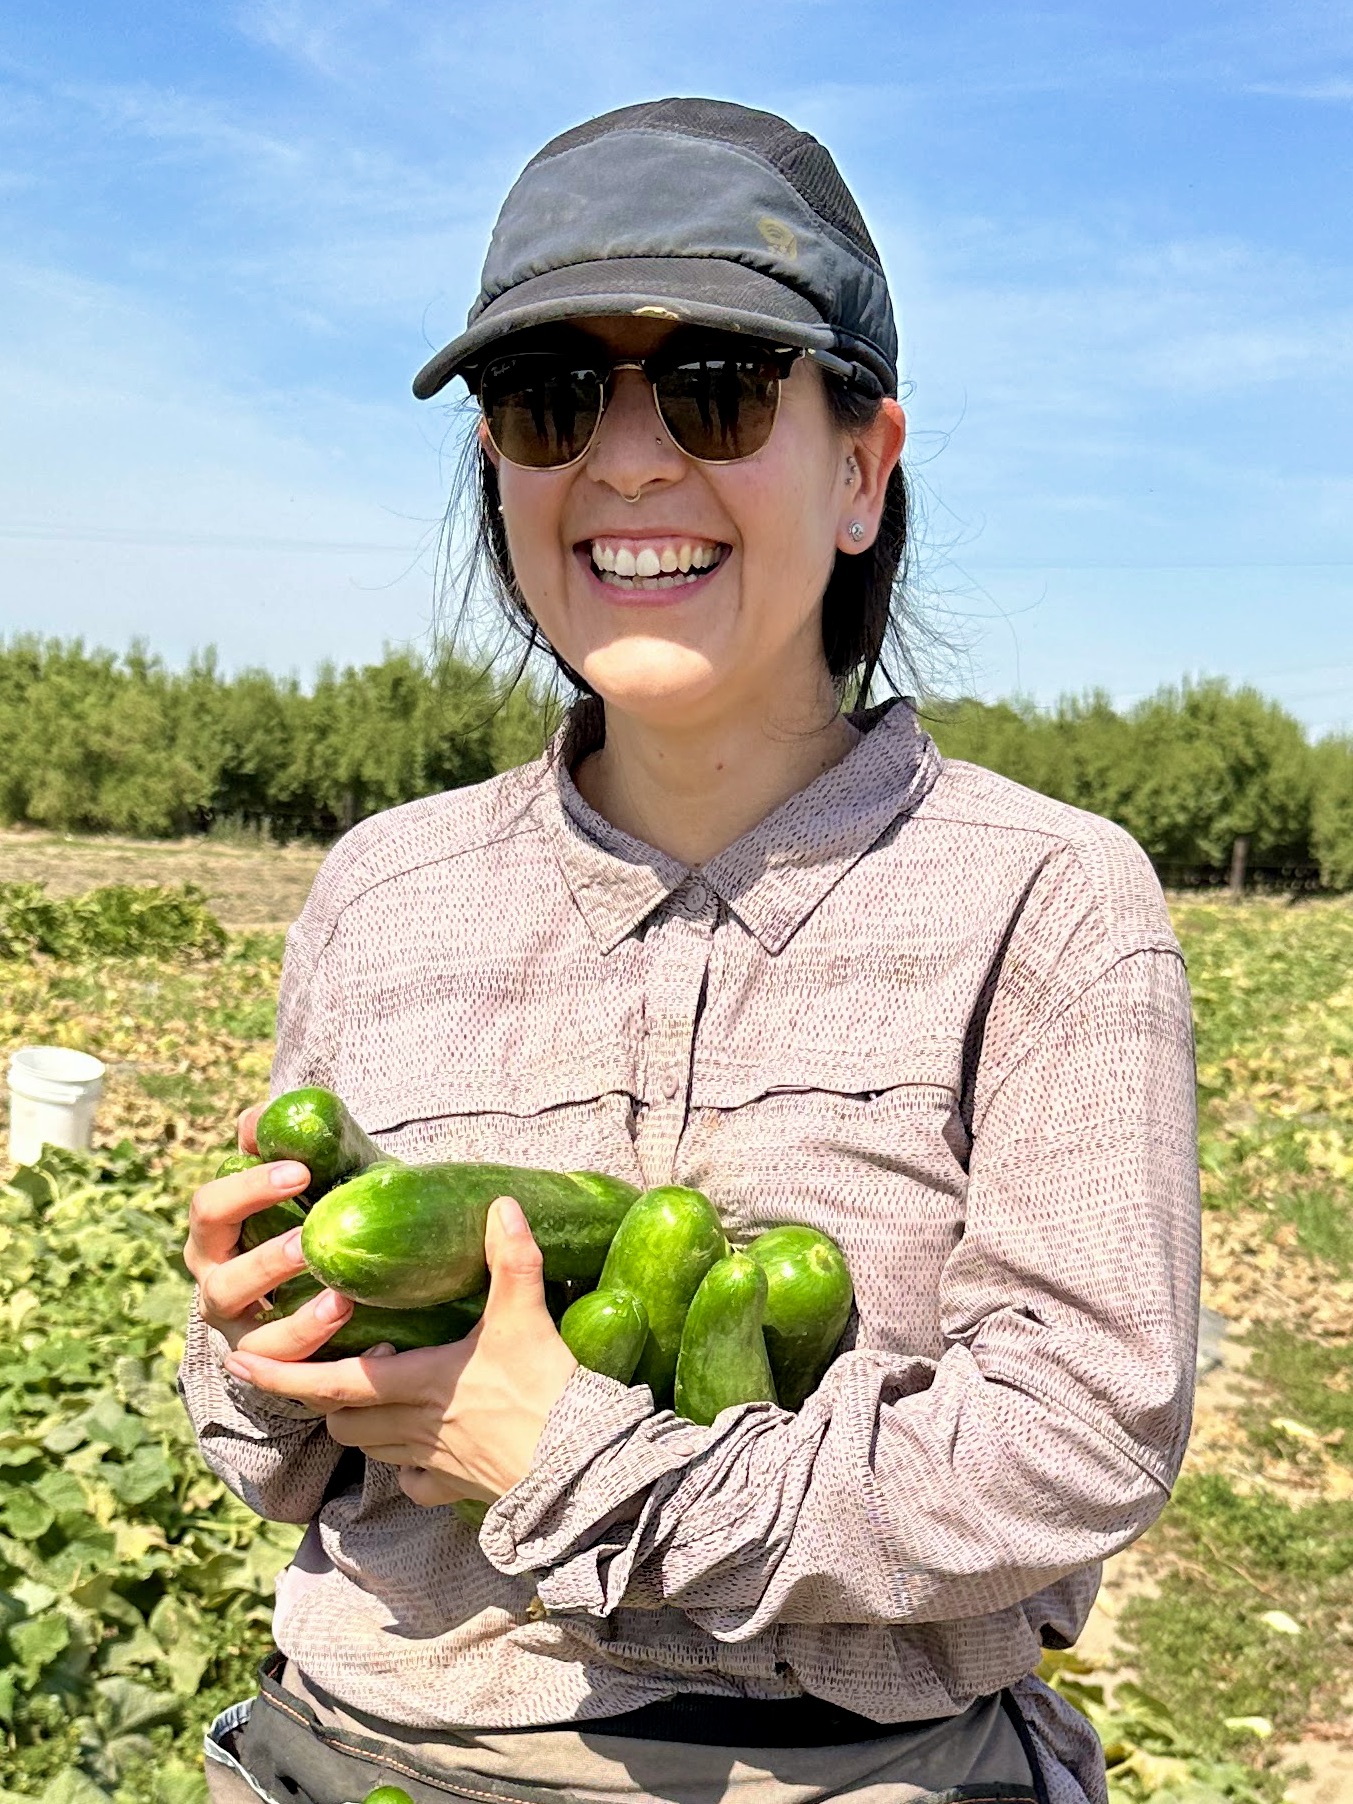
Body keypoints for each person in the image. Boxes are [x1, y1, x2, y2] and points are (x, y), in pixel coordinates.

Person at [179, 98, 1201, 1804]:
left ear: (861, 468)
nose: (629, 463)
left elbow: (1076, 1443)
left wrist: (583, 1462)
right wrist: (267, 1349)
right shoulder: (382, 886)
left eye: (718, 390)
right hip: (360, 1757)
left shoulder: (1048, 901)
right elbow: (289, 1462)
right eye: (550, 399)